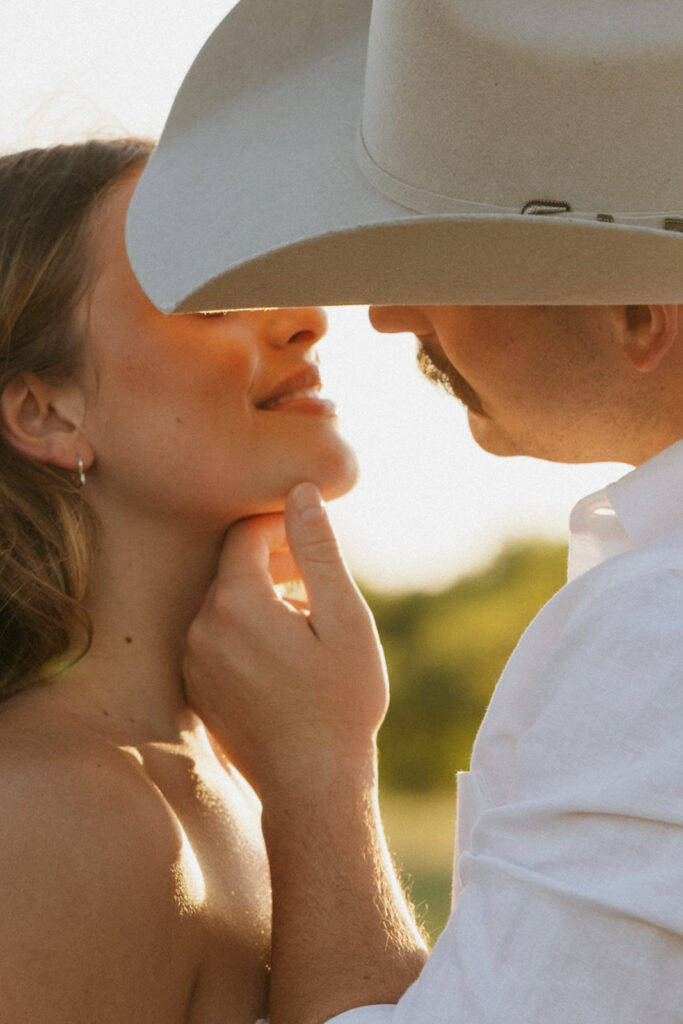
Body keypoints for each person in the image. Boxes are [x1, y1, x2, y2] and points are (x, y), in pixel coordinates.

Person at [125, 1, 683, 1023]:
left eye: (445, 259)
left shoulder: (657, 637)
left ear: (634, 313)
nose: (384, 313)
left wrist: (315, 775)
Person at [0, 138, 359, 1020]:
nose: (308, 316)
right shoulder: (52, 816)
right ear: (45, 410)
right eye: (214, 296)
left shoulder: (220, 770)